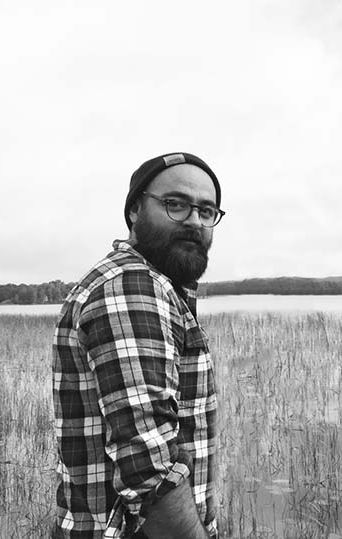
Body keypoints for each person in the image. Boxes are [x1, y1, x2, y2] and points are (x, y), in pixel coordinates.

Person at [52, 152, 225, 539]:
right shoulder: (133, 288)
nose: (194, 222)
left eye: (207, 211)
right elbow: (151, 473)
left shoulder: (151, 286)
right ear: (134, 211)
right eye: (175, 205)